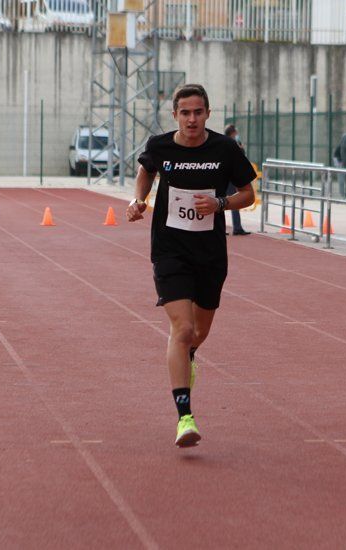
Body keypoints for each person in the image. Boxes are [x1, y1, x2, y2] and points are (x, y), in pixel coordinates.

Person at [128, 84, 256, 448]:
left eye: (198, 112)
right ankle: (185, 416)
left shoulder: (225, 149)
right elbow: (145, 173)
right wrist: (139, 201)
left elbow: (248, 194)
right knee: (181, 330)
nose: (192, 119)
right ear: (175, 116)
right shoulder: (160, 146)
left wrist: (220, 204)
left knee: (197, 334)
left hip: (210, 255)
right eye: (185, 113)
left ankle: (191, 355)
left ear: (208, 114)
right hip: (170, 252)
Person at [222, 124, 251, 235]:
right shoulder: (232, 144)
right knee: (233, 202)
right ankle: (236, 228)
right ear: (232, 133)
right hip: (230, 177)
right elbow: (239, 158)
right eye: (236, 132)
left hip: (225, 176)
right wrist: (242, 149)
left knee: (223, 201)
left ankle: (228, 228)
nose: (237, 134)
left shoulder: (223, 143)